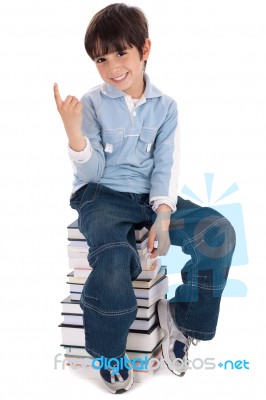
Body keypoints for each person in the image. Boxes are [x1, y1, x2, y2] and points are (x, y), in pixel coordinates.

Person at [54, 3, 236, 394]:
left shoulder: (166, 107)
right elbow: (92, 172)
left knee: (217, 230)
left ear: (144, 49)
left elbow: (166, 167)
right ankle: (108, 350)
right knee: (116, 256)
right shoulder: (93, 103)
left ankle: (183, 320)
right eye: (101, 58)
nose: (112, 67)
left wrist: (164, 214)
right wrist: (74, 134)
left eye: (121, 53)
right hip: (101, 195)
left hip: (151, 198)